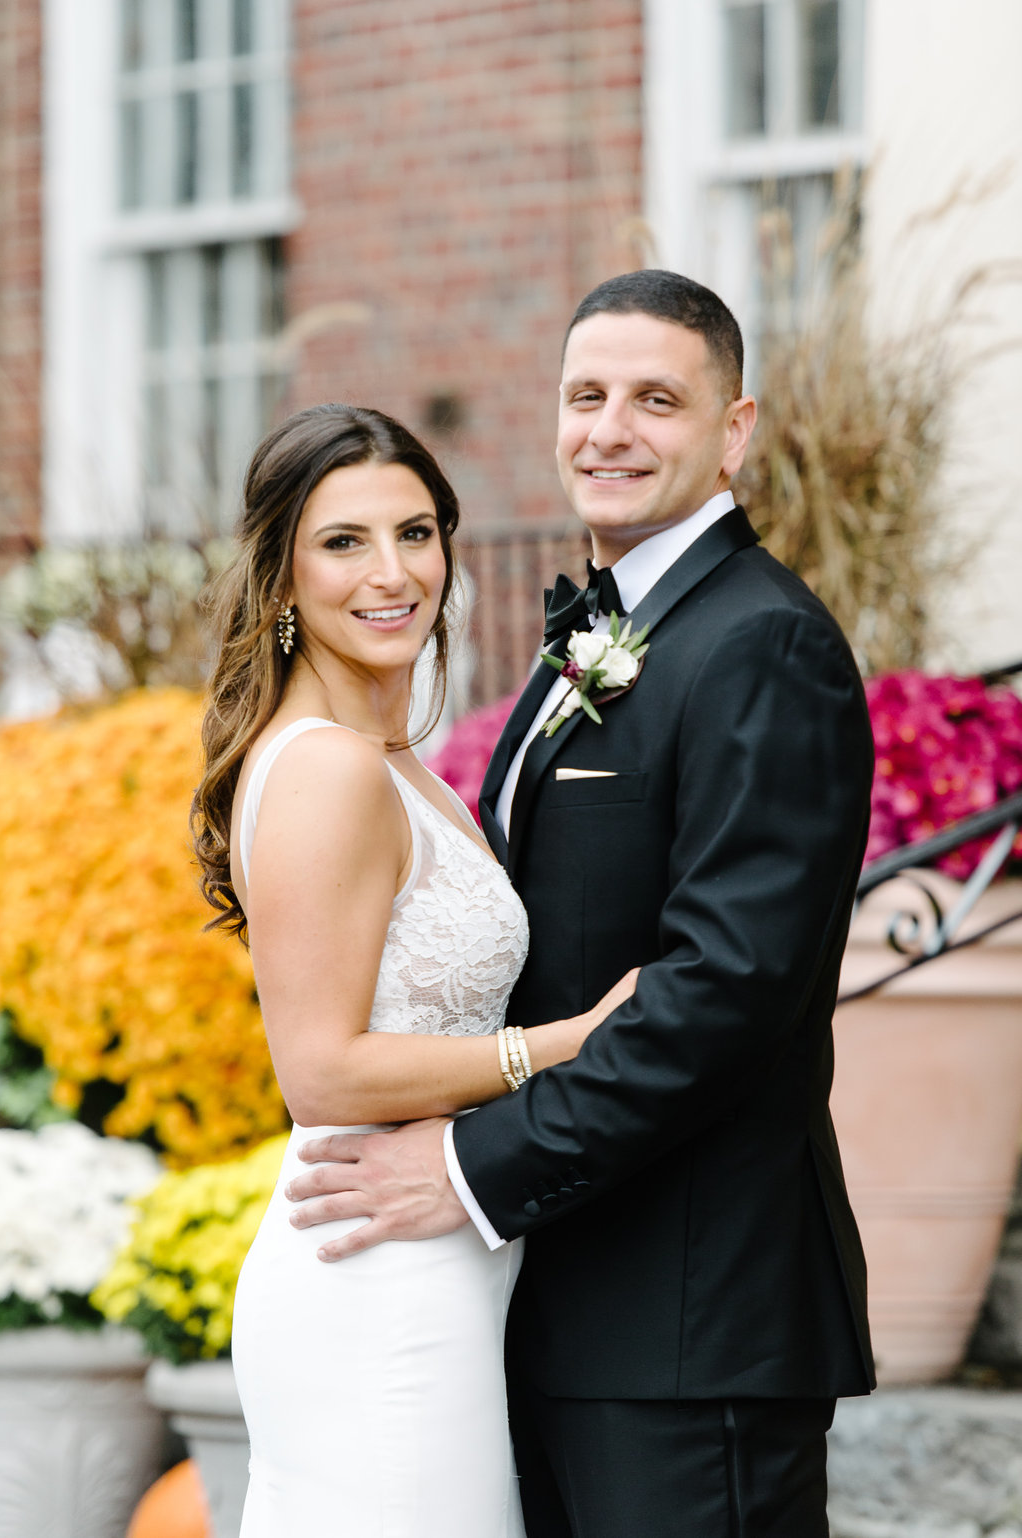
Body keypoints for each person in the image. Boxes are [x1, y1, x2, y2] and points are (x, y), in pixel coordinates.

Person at [285, 272, 878, 1538]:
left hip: (688, 1317)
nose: (609, 429)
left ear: (734, 429)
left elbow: (722, 994)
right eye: (585, 395)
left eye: (656, 399)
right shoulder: (606, 634)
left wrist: (467, 1166)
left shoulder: (761, 644)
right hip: (549, 1298)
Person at [190, 402, 637, 1538]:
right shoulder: (329, 768)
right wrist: (566, 1044)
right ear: (281, 577)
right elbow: (321, 1073)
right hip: (373, 1283)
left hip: (439, 1256)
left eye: (418, 531)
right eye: (344, 541)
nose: (393, 572)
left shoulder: (393, 760)